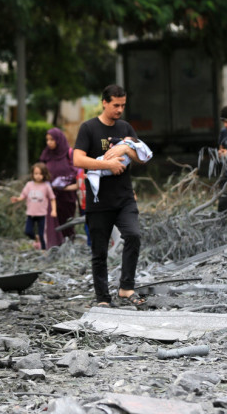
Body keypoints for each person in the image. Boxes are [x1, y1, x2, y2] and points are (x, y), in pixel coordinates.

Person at [73, 84, 150, 308]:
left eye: (123, 105)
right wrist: (107, 164)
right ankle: (103, 298)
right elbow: (78, 159)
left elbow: (143, 157)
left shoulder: (125, 127)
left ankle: (126, 288)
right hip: (99, 201)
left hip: (125, 197)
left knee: (133, 235)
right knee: (99, 251)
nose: (119, 110)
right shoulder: (88, 128)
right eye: (115, 105)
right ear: (104, 102)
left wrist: (126, 149)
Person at [39, 127, 78, 248]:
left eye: (52, 140)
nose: (49, 142)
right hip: (51, 196)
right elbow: (40, 173)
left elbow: (77, 172)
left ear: (59, 140)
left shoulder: (69, 154)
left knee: (67, 222)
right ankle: (54, 247)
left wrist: (64, 183)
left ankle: (69, 245)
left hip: (67, 196)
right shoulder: (46, 155)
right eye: (47, 140)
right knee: (52, 222)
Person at [86, 136, 153, 203]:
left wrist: (111, 140)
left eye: (126, 138)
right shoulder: (134, 147)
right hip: (117, 168)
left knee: (100, 162)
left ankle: (92, 173)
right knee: (103, 171)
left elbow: (113, 140)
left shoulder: (126, 142)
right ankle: (93, 173)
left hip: (117, 166)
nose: (124, 139)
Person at [10, 162, 57, 250]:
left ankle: (43, 250)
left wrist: (53, 210)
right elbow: (23, 195)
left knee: (42, 233)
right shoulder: (29, 185)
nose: (38, 176)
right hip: (31, 214)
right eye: (36, 173)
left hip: (42, 214)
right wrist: (17, 199)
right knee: (28, 231)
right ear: (32, 174)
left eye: (40, 174)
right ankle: (36, 238)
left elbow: (52, 198)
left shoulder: (46, 186)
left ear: (44, 174)